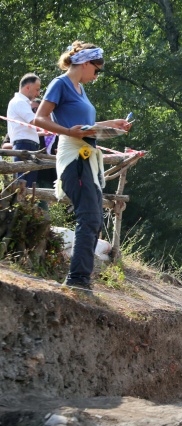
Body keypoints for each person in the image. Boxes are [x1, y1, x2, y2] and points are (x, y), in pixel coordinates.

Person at [33, 40, 132, 291]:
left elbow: (85, 126)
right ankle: (77, 280)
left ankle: (81, 278)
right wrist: (67, 130)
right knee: (88, 217)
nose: (97, 76)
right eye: (96, 70)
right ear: (85, 63)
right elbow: (40, 118)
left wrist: (113, 124)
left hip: (88, 158)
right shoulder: (60, 84)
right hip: (74, 159)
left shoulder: (80, 89)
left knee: (94, 218)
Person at [6, 73, 42, 186]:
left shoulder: (22, 102)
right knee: (23, 184)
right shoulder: (19, 102)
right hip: (24, 145)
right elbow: (34, 122)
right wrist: (58, 127)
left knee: (28, 186)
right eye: (37, 89)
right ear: (28, 87)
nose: (38, 93)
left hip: (27, 145)